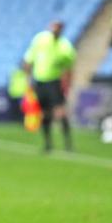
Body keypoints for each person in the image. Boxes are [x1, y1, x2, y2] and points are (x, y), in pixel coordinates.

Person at [22, 20, 76, 152]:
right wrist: (28, 80)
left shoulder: (65, 47)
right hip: (40, 81)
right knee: (45, 113)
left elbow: (68, 69)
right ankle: (48, 143)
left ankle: (68, 144)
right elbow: (29, 59)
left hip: (54, 82)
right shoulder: (40, 39)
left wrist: (67, 85)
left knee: (60, 112)